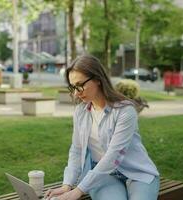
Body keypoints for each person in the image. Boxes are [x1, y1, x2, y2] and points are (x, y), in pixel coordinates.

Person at [45, 54, 159, 200]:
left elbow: (113, 155)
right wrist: (67, 185)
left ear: (98, 79)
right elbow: (77, 150)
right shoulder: (81, 112)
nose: (76, 93)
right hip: (103, 176)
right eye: (73, 87)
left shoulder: (125, 111)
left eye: (80, 85)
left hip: (137, 173)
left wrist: (78, 190)